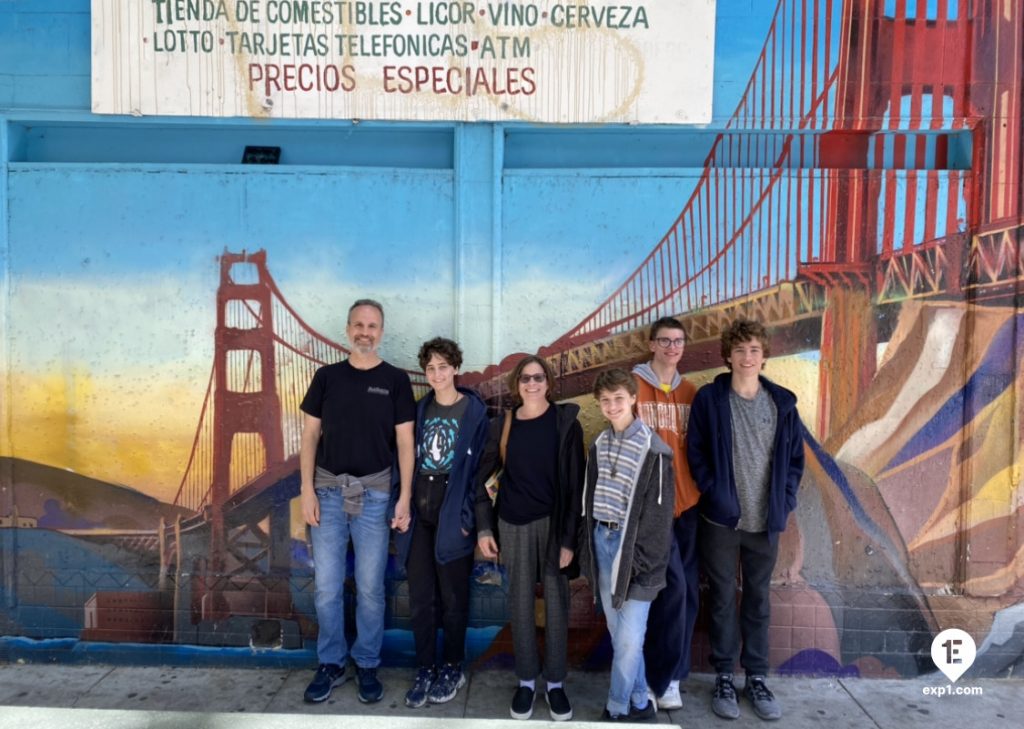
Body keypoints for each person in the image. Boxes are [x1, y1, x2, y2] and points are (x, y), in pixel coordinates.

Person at [298, 299, 416, 704]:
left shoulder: (397, 380)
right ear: (347, 329)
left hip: (376, 495)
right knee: (327, 588)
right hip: (328, 494)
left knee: (370, 588)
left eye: (373, 326)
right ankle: (330, 663)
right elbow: (310, 437)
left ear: (382, 332)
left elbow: (405, 443)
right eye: (359, 325)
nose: (366, 332)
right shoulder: (326, 377)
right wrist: (307, 491)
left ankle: (366, 663)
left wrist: (404, 498)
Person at [687, 319, 805, 721]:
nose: (747, 357)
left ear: (764, 356)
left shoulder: (783, 404)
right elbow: (696, 451)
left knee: (757, 601)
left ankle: (756, 677)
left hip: (765, 524)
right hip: (722, 521)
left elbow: (794, 462)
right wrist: (714, 492)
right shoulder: (710, 398)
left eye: (754, 350)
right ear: (728, 355)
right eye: (739, 350)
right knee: (721, 599)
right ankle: (723, 676)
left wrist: (785, 501)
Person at [475, 355, 585, 722]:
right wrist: (486, 528)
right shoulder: (503, 426)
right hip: (513, 524)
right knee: (519, 604)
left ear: (549, 383)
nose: (532, 384)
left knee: (557, 603)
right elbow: (484, 481)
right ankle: (526, 681)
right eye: (525, 378)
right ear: (516, 385)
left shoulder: (565, 423)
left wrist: (569, 540)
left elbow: (574, 488)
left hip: (554, 526)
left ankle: (554, 684)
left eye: (538, 378)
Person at [397, 337, 489, 708]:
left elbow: (484, 470)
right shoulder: (420, 410)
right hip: (420, 508)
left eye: (443, 366)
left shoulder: (474, 412)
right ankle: (425, 667)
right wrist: (402, 504)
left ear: (455, 368)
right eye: (430, 368)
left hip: (455, 511)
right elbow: (405, 458)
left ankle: (452, 665)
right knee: (421, 597)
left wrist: (469, 516)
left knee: (453, 597)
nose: (436, 374)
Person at [579, 369, 674, 722]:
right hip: (602, 543)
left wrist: (642, 562)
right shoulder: (599, 445)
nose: (612, 405)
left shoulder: (654, 450)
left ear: (633, 398)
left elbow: (659, 520)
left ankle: (616, 706)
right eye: (605, 400)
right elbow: (589, 503)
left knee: (631, 635)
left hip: (632, 550)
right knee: (618, 630)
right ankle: (640, 700)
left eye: (619, 398)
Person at [632, 317, 699, 710]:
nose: (672, 347)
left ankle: (674, 676)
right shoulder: (633, 387)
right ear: (651, 344)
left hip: (689, 504)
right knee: (667, 592)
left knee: (687, 595)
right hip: (652, 508)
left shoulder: (692, 391)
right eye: (664, 341)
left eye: (678, 341)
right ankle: (657, 676)